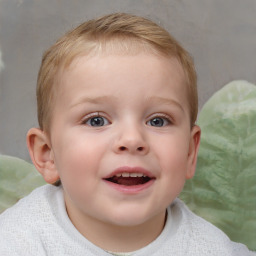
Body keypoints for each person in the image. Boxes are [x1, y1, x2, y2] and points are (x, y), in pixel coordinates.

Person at [0, 13, 253, 256]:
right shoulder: (15, 242)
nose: (132, 140)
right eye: (96, 120)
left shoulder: (213, 250)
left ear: (189, 152)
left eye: (158, 120)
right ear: (48, 154)